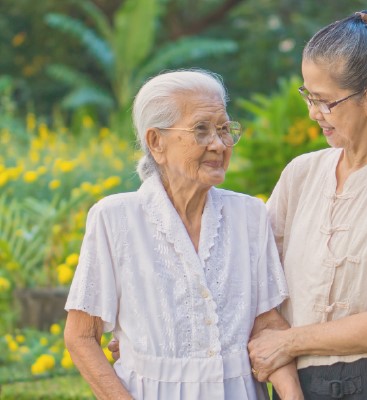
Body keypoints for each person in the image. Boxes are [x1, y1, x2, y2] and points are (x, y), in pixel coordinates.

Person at [64, 70, 302, 399]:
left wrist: (292, 395)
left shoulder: (250, 215)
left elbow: (266, 324)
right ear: (156, 142)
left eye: (223, 129)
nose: (218, 144)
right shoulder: (114, 218)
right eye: (201, 130)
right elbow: (80, 336)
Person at [247, 10, 367, 399]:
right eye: (308, 96)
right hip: (296, 385)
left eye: (325, 101)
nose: (313, 113)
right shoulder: (301, 173)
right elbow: (254, 268)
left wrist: (290, 342)